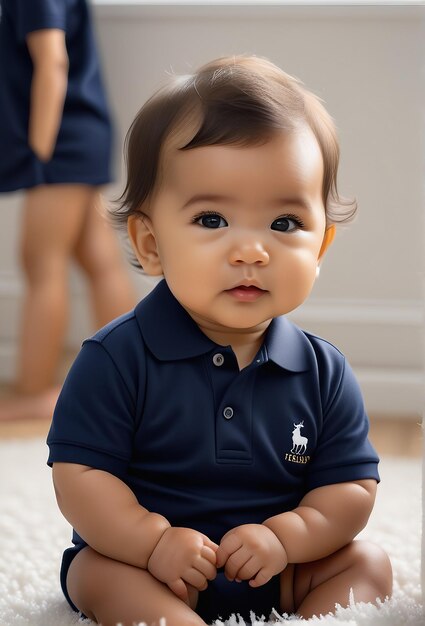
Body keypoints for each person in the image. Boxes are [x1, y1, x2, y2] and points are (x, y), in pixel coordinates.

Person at [47, 55, 392, 626]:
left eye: (284, 224)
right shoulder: (116, 359)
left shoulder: (323, 372)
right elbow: (81, 480)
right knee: (96, 575)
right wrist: (152, 542)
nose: (251, 251)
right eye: (212, 220)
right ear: (151, 243)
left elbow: (350, 487)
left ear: (320, 247)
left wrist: (288, 537)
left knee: (370, 565)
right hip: (149, 567)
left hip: (277, 569)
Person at [0, 0, 135, 421]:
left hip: (61, 143)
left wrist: (39, 153)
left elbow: (52, 62)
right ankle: (136, 379)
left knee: (41, 262)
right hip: (80, 133)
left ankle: (33, 392)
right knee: (98, 260)